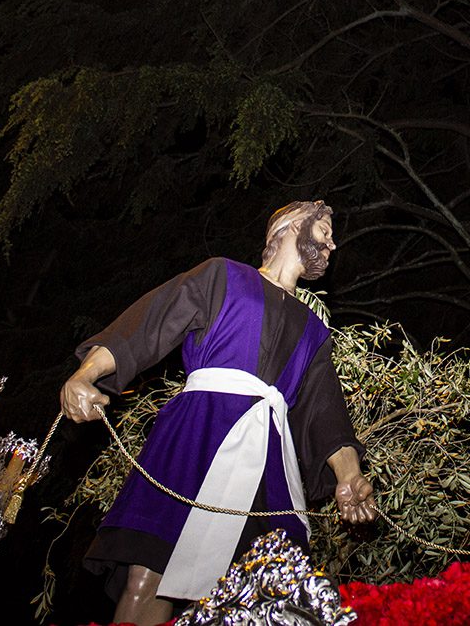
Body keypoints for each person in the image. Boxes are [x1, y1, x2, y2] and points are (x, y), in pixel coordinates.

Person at [60, 200, 376, 626]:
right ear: (286, 227)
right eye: (323, 228)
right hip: (197, 434)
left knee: (270, 596)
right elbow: (149, 325)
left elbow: (325, 411)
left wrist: (349, 475)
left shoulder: (314, 331)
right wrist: (85, 374)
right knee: (150, 574)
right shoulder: (222, 275)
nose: (332, 243)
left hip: (269, 460)